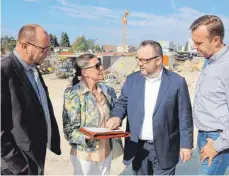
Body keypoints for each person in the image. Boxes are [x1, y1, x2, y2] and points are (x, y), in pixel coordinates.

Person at [106, 40, 194, 175]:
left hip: (165, 146)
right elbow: (122, 103)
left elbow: (184, 115)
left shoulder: (177, 82)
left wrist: (186, 145)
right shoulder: (132, 80)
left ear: (158, 60)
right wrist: (116, 116)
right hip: (137, 146)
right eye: (138, 59)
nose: (140, 63)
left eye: (144, 60)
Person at [1, 24, 61, 175]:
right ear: (24, 46)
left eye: (49, 48)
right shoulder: (4, 71)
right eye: (44, 48)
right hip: (16, 163)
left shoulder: (32, 68)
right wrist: (18, 165)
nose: (48, 53)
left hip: (35, 154)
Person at [62, 54, 119, 175]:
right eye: (97, 66)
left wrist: (115, 123)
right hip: (84, 154)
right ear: (85, 72)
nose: (101, 68)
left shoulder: (108, 91)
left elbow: (115, 114)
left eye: (100, 64)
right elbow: (69, 131)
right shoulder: (73, 94)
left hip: (106, 151)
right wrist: (87, 136)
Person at [190, 15, 229, 175]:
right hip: (204, 135)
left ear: (216, 40)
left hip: (218, 139)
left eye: (199, 43)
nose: (194, 47)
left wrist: (217, 145)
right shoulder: (210, 59)